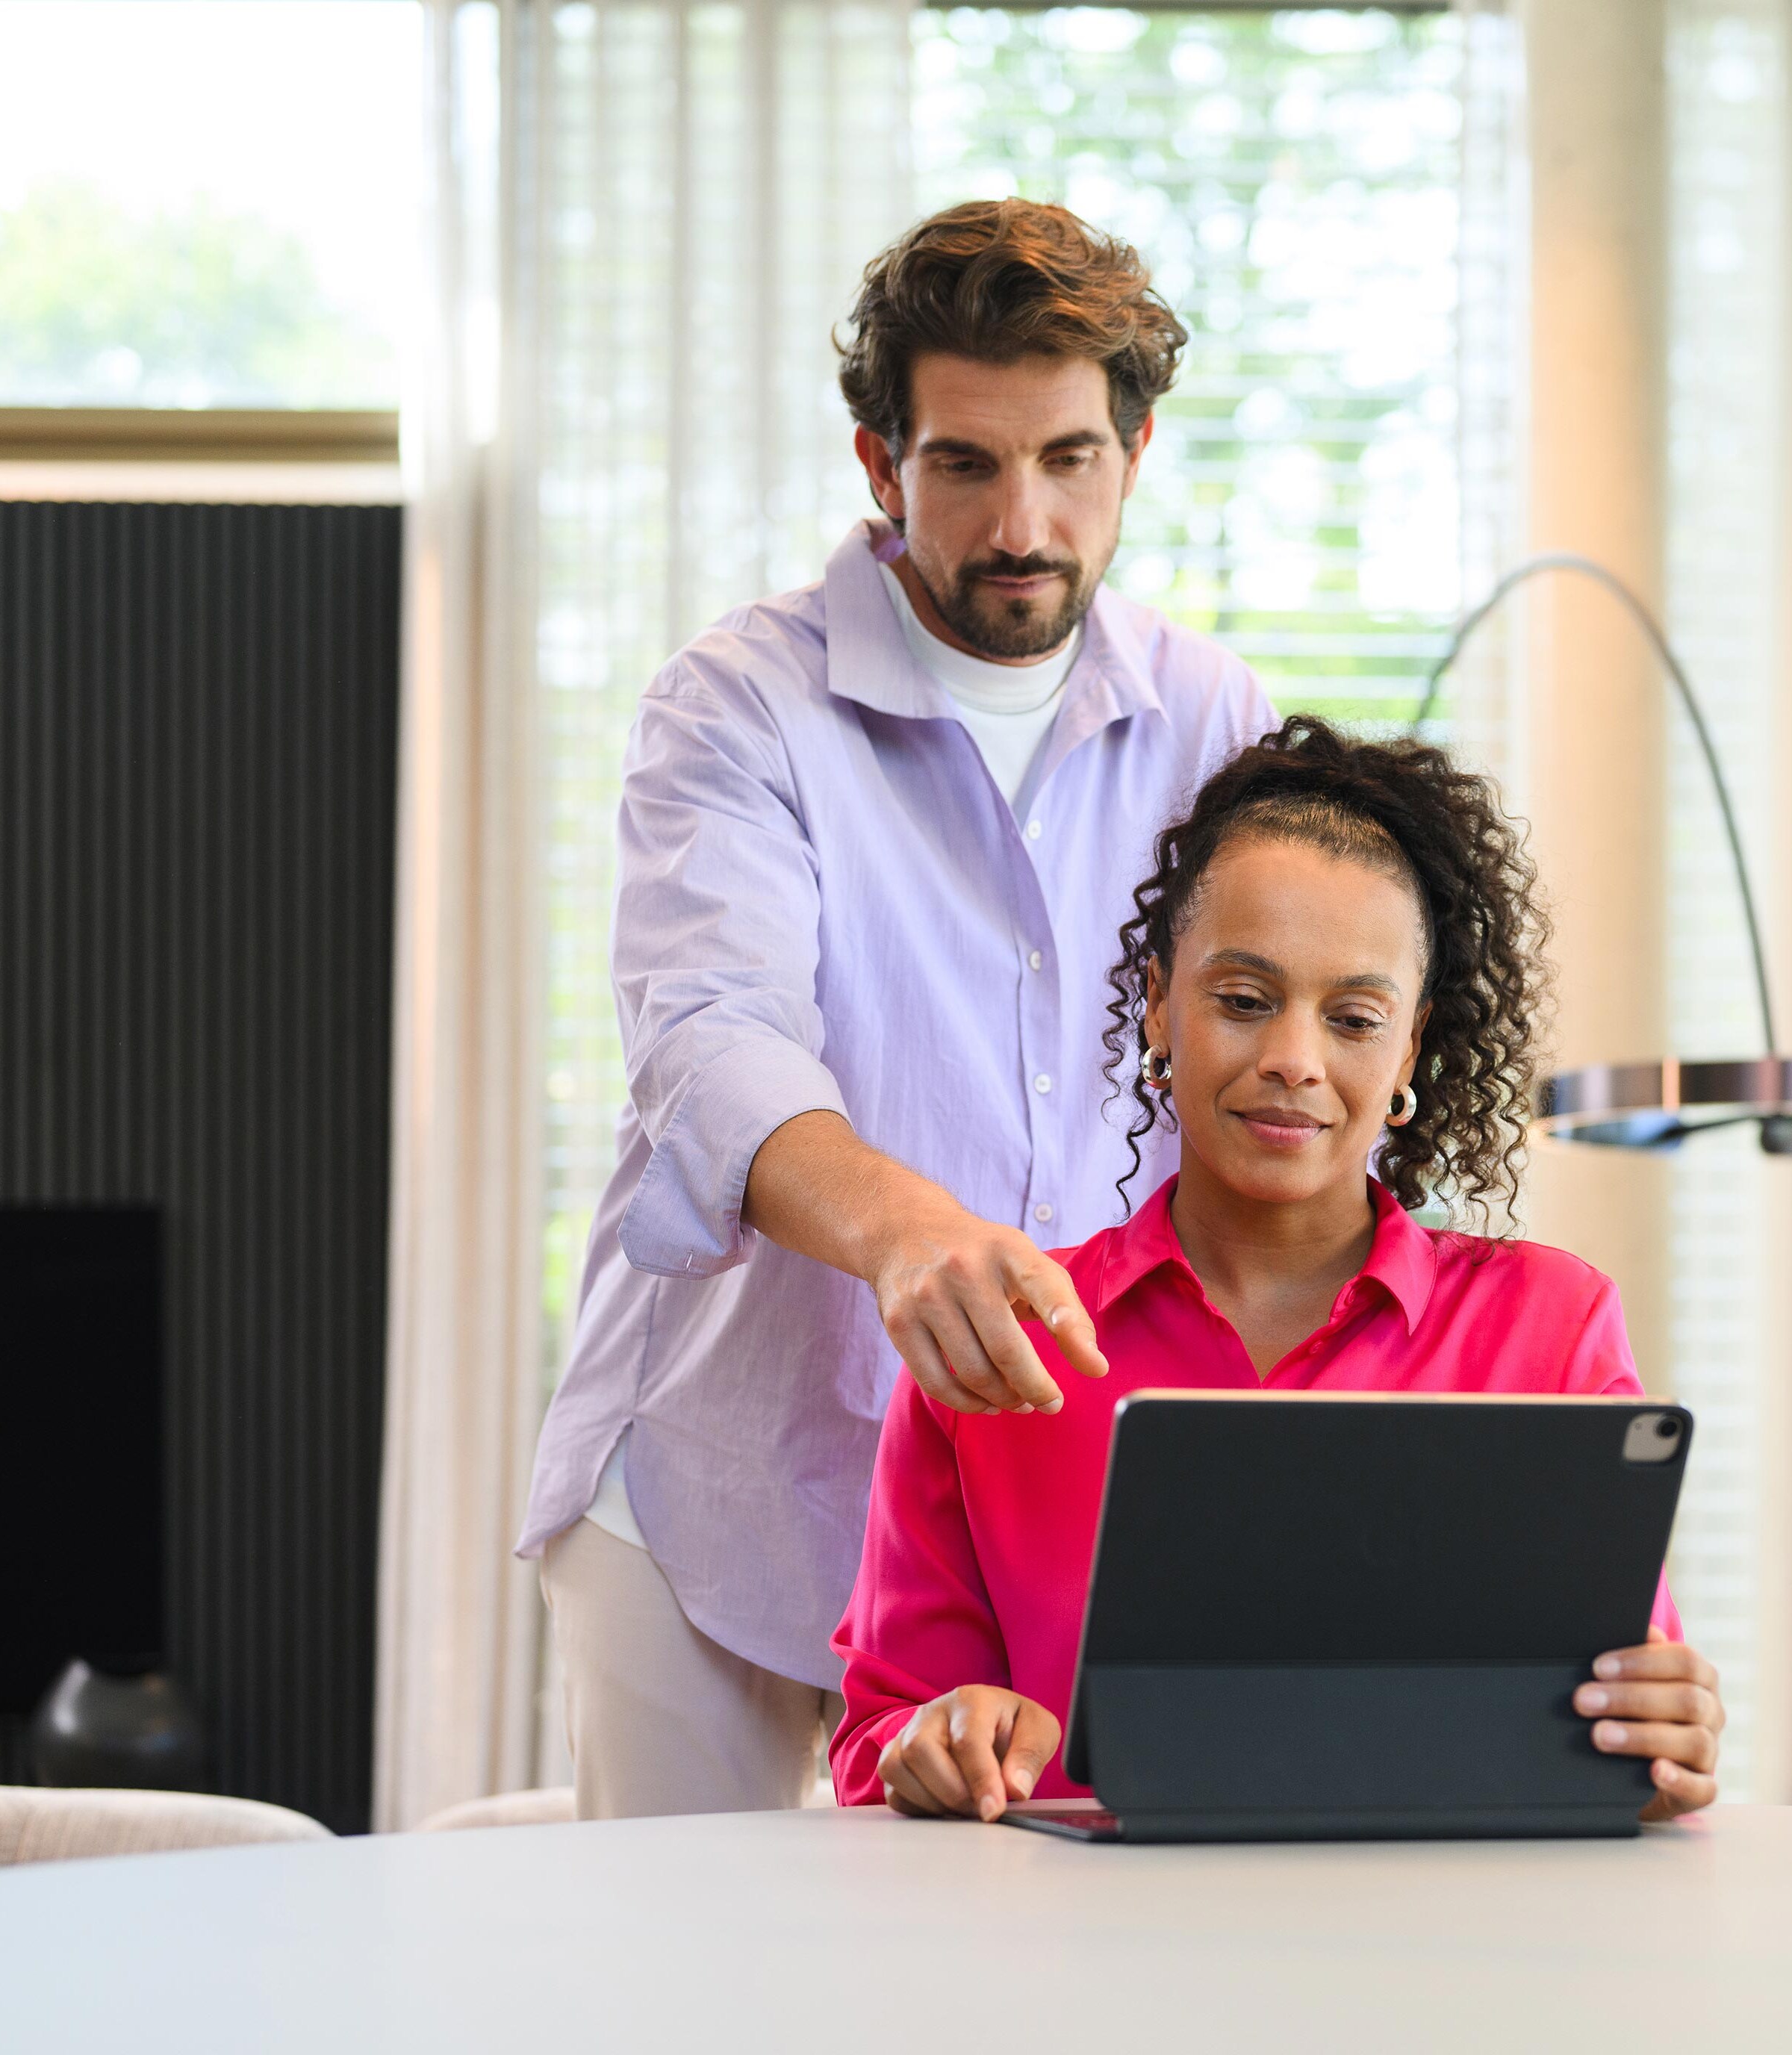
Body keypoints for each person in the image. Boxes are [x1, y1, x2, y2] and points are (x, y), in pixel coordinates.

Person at [514, 199, 1277, 1819]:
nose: (1024, 521)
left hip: (1030, 1492)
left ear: (1133, 454)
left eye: (1069, 459)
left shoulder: (1218, 720)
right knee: (693, 1988)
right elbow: (712, 1033)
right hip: (719, 1481)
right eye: (965, 464)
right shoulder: (739, 704)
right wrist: (901, 1230)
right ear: (880, 463)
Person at [828, 716, 1726, 1824]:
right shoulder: (997, 1335)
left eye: (1354, 1018)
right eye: (1245, 1000)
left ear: (1410, 1049)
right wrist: (935, 1740)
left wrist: (1662, 1738)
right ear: (1158, 1005)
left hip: (1444, 1958)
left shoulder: (1550, 1325)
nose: (1294, 1060)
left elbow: (1626, 1723)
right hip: (1077, 1962)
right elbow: (879, 1735)